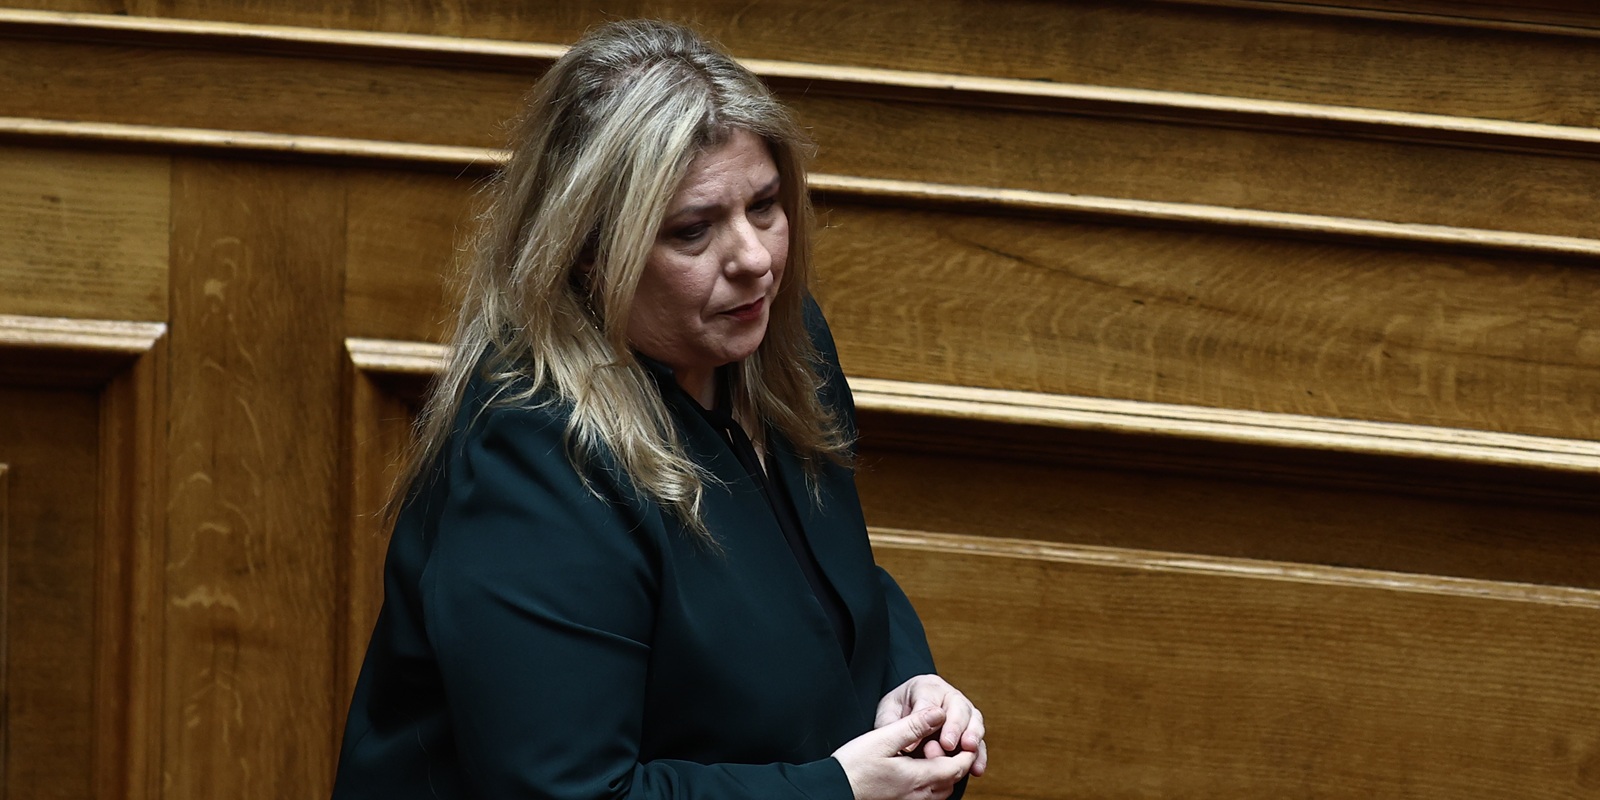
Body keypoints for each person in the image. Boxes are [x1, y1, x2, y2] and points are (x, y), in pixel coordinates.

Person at [332, 19, 987, 800]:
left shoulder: (779, 344)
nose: (754, 258)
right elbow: (570, 793)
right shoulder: (533, 453)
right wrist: (837, 790)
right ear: (587, 251)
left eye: (765, 206)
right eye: (692, 230)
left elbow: (827, 582)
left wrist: (909, 688)